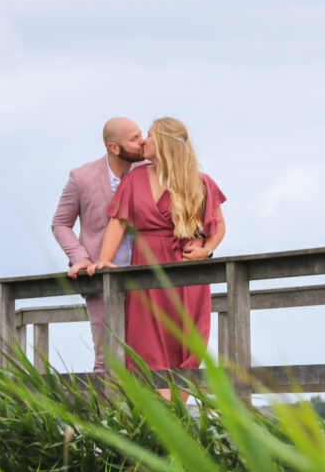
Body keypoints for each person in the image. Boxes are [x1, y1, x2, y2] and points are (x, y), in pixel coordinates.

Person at [88, 117, 225, 393]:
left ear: (163, 143)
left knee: (185, 352)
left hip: (187, 276)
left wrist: (206, 250)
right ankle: (164, 415)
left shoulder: (200, 181)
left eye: (148, 136)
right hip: (146, 274)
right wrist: (104, 259)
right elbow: (118, 221)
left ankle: (174, 415)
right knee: (146, 352)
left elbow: (219, 224)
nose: (143, 141)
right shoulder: (133, 180)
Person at [51, 118, 146, 371]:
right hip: (101, 281)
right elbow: (60, 223)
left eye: (141, 134)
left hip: (148, 277)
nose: (143, 142)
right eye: (135, 138)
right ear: (113, 147)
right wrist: (80, 258)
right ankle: (106, 400)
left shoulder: (151, 170)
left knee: (150, 359)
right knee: (107, 359)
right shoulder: (81, 177)